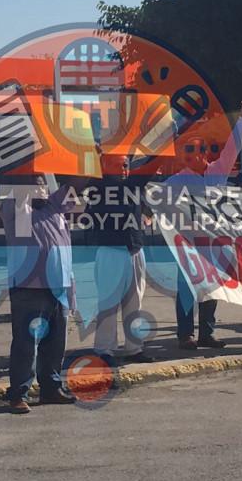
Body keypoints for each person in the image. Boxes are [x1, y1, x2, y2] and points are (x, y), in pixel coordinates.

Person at [165, 101, 242, 350]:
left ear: (203, 152)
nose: (190, 156)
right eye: (186, 151)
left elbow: (232, 148)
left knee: (211, 290)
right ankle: (185, 335)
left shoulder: (218, 173)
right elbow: (158, 202)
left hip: (214, 243)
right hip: (186, 244)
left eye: (194, 150)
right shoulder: (174, 182)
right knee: (186, 290)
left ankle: (207, 333)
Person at [0, 174, 83, 414]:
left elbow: (74, 186)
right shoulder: (15, 208)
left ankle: (50, 388)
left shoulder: (54, 206)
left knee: (56, 342)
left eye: (42, 184)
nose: (40, 188)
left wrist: (86, 164)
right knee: (26, 344)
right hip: (28, 287)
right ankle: (18, 393)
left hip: (58, 285)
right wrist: (27, 169)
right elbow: (20, 195)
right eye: (34, 184)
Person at [88, 152, 154, 364]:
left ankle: (134, 347)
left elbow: (146, 209)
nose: (125, 170)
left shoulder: (133, 186)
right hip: (111, 250)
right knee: (109, 303)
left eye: (126, 165)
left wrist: (146, 217)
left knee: (134, 302)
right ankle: (104, 349)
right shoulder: (98, 187)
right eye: (121, 166)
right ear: (106, 166)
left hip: (134, 249)